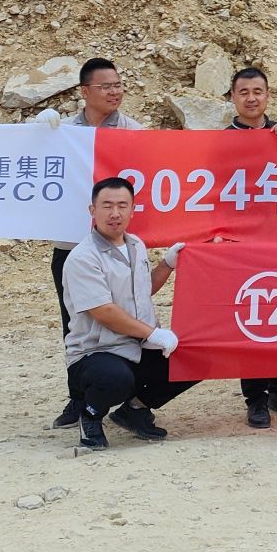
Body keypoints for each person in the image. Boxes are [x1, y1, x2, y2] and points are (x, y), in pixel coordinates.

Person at [61, 177, 198, 450]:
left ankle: (134, 409)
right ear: (92, 210)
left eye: (122, 206)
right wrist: (153, 333)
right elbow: (104, 312)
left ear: (133, 210)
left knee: (195, 357)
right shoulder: (83, 257)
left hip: (137, 346)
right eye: (107, 206)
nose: (115, 213)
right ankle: (90, 415)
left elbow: (143, 290)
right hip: (96, 352)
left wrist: (167, 264)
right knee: (115, 379)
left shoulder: (135, 244)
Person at [47, 57, 144, 429]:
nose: (115, 92)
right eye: (106, 86)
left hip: (119, 248)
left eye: (118, 85)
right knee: (74, 323)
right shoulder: (61, 132)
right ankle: (79, 398)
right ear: (85, 92)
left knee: (126, 315)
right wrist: (38, 133)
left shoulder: (135, 133)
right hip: (72, 247)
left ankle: (128, 395)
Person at [227, 66, 277, 428]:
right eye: (244, 92)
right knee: (252, 317)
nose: (251, 98)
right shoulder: (221, 143)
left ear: (268, 96)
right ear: (233, 98)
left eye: (258, 91)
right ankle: (255, 397)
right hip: (242, 244)